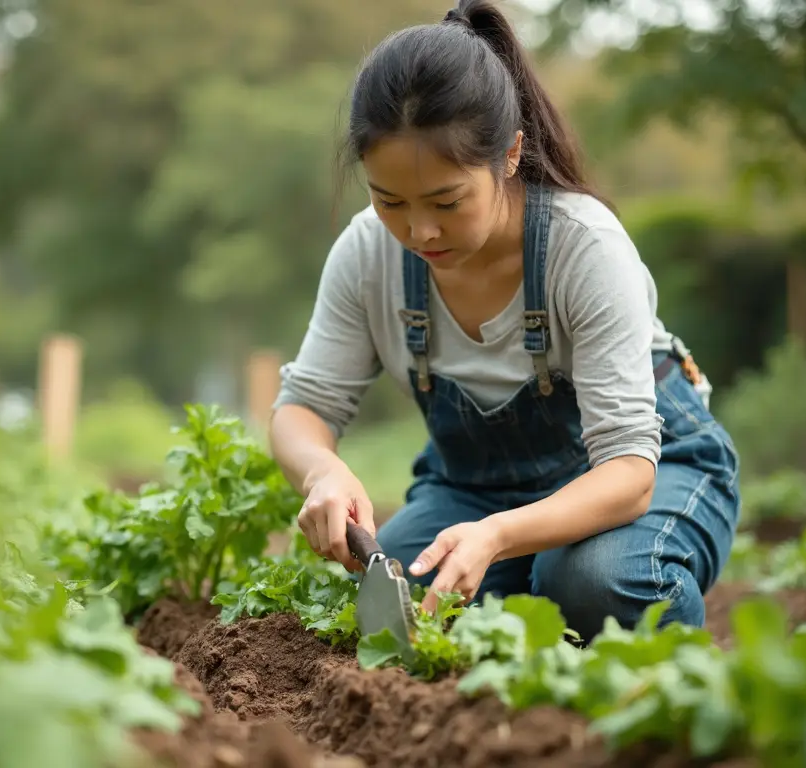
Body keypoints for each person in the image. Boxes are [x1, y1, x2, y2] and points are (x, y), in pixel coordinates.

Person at [268, 0, 740, 641]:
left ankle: (667, 672)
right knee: (404, 584)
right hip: (479, 490)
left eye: (447, 200)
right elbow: (303, 408)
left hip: (647, 471)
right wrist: (324, 470)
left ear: (511, 155)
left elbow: (629, 475)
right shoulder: (368, 254)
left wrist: (499, 535)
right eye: (390, 201)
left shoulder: (585, 248)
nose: (420, 230)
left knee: (592, 580)